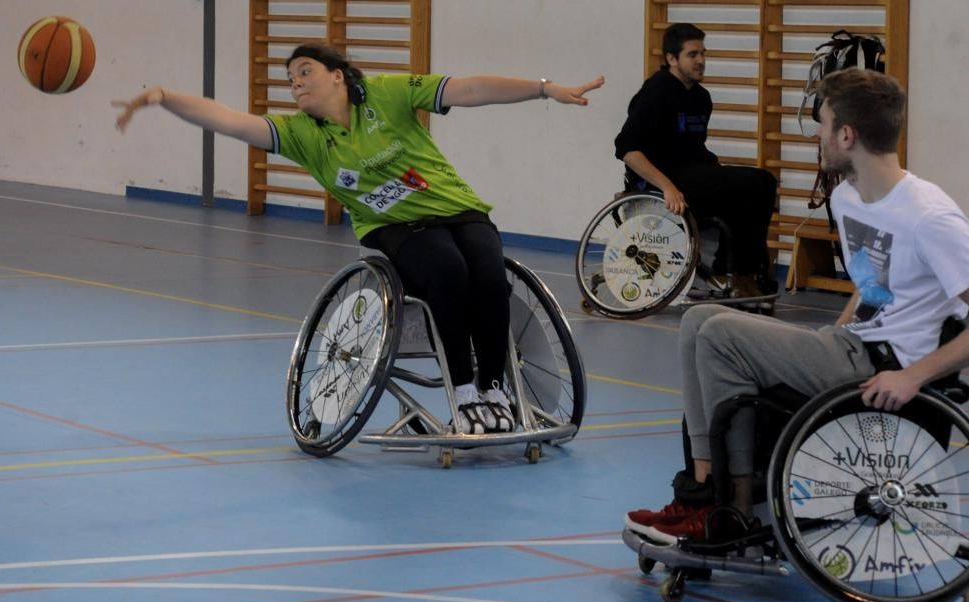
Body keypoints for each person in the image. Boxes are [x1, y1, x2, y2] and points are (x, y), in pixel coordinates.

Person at [114, 43, 604, 435]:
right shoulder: (304, 134)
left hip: (458, 209)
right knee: (448, 271)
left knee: (489, 271)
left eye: (304, 71)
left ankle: (494, 388)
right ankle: (464, 392)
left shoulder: (387, 94)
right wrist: (165, 98)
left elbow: (470, 88)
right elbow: (229, 120)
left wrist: (544, 89)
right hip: (396, 230)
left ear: (337, 75)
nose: (296, 83)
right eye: (290, 79)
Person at [624, 68, 969, 543]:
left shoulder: (930, 216)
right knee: (699, 319)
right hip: (849, 345)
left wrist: (914, 376)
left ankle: (732, 509)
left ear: (846, 135)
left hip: (885, 363)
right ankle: (703, 492)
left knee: (721, 335)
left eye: (824, 125)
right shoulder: (849, 198)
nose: (819, 137)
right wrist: (832, 337)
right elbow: (872, 286)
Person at [614, 23, 776, 299]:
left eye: (703, 53)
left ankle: (740, 273)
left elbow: (694, 149)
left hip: (693, 175)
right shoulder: (656, 92)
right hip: (663, 181)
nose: (701, 60)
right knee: (750, 184)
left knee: (762, 182)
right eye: (692, 54)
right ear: (671, 59)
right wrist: (667, 187)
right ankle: (735, 273)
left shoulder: (701, 98)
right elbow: (627, 149)